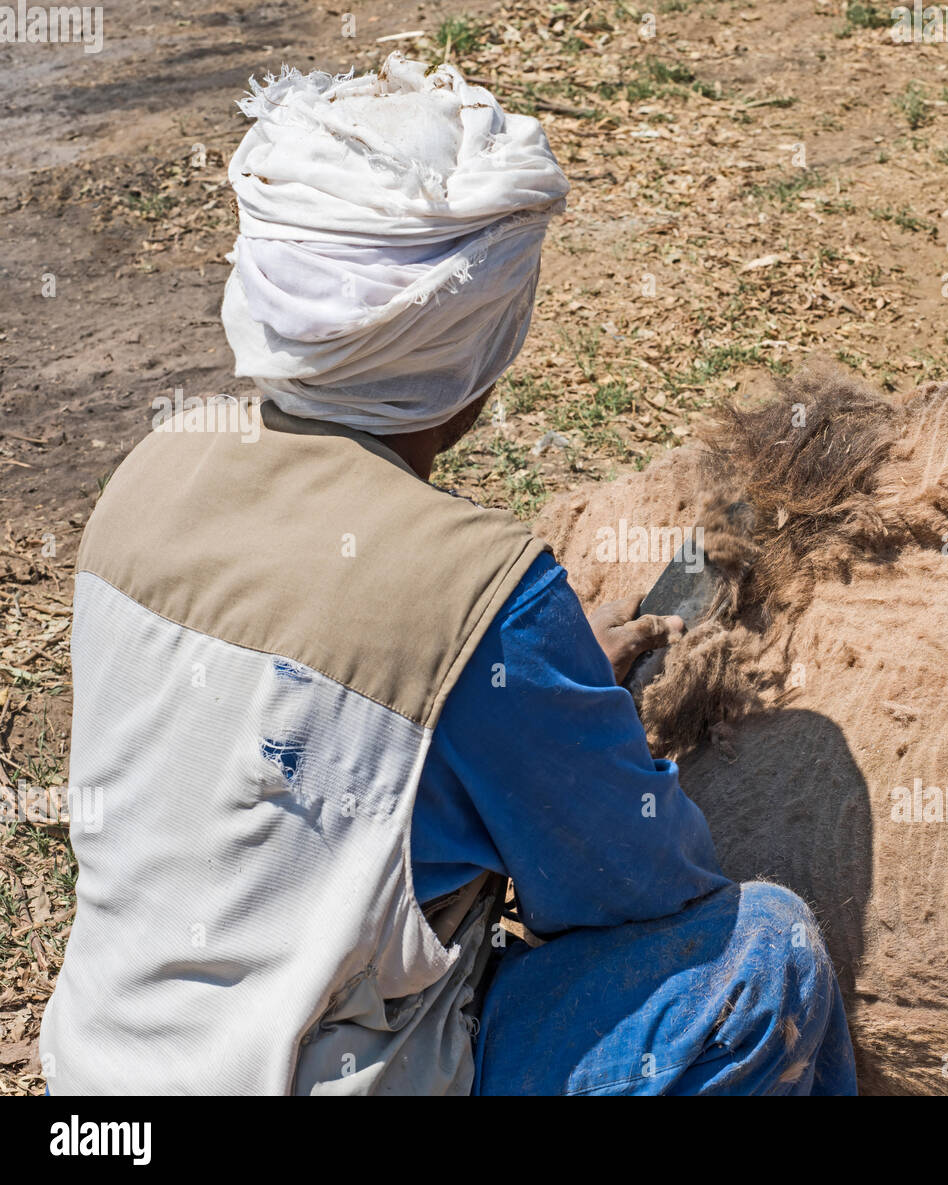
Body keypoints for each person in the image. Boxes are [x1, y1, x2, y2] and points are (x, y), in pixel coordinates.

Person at [39, 56, 856, 1096]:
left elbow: (275, 750)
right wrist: (552, 719)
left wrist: (514, 702)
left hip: (107, 1073)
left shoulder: (153, 471)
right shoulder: (480, 595)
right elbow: (638, 889)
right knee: (764, 959)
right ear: (483, 345)